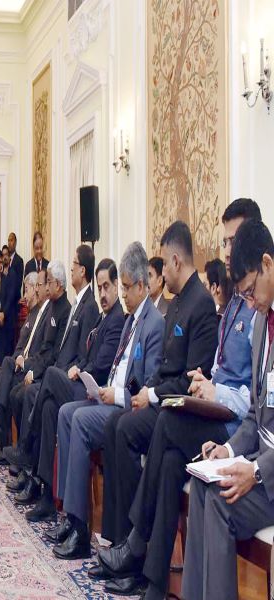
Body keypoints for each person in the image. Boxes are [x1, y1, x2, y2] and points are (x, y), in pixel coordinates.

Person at [96, 198, 260, 599]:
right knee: (169, 462)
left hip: (231, 425)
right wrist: (207, 383)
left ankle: (136, 540)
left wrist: (211, 389)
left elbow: (250, 399)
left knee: (164, 424)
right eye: (225, 242)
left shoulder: (253, 309)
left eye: (234, 240)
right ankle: (154, 584)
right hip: (211, 412)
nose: (227, 251)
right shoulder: (233, 305)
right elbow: (209, 370)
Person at [100, 221, 218, 554]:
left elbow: (191, 377)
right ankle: (117, 535)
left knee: (125, 428)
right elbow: (164, 367)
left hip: (179, 409)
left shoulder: (200, 304)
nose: (161, 273)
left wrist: (150, 394)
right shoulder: (177, 302)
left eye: (164, 264)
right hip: (162, 401)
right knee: (115, 424)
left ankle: (134, 537)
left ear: (176, 261)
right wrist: (146, 391)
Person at [50, 242, 165, 561]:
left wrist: (117, 394)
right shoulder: (130, 320)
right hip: (108, 398)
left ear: (141, 285)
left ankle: (81, 528)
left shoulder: (154, 324)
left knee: (80, 419)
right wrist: (99, 388)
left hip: (125, 408)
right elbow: (118, 369)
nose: (122, 294)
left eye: (125, 287)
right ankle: (70, 514)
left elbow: (149, 386)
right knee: (66, 412)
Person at [182, 218, 274, 600]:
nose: (249, 302)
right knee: (204, 488)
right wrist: (229, 450)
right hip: (261, 460)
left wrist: (256, 471)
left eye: (251, 290)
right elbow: (256, 413)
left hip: (270, 471)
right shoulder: (261, 325)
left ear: (267, 264)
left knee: (221, 503)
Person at [14, 257, 124, 520]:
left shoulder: (102, 314)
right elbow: (86, 354)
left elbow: (99, 364)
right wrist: (78, 367)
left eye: (107, 287)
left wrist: (77, 370)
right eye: (100, 287)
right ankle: (46, 494)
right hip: (76, 380)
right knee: (49, 407)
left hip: (88, 388)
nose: (103, 293)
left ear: (117, 286)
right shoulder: (99, 314)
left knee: (50, 377)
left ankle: (26, 448)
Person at [4, 246, 100, 501]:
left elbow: (83, 354)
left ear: (83, 270)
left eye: (74, 265)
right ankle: (36, 482)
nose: (71, 269)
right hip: (58, 372)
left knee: (34, 391)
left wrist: (64, 371)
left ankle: (25, 451)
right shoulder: (77, 303)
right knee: (41, 404)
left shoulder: (89, 306)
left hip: (69, 379)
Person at [0, 272, 40, 451]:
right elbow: (21, 346)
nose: (24, 295)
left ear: (36, 289)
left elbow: (35, 351)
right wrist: (16, 359)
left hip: (26, 369)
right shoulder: (30, 315)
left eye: (27, 290)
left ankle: (1, 438)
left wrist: (20, 361)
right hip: (17, 363)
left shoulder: (39, 315)